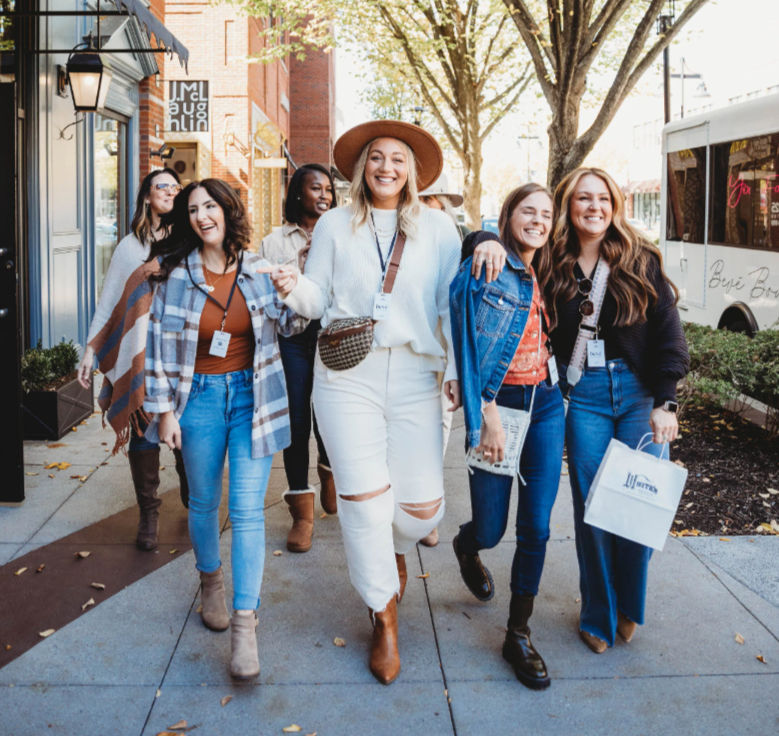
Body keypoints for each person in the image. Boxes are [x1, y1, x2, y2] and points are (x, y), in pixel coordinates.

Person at [269, 120, 461, 685]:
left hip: (416, 374)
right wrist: (290, 287)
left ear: (413, 171)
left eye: (397, 159)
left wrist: (454, 370)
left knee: (422, 509)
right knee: (363, 502)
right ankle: (384, 614)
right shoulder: (333, 224)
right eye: (376, 158)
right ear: (362, 167)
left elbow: (450, 306)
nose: (386, 167)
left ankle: (393, 550)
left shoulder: (440, 229)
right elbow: (317, 296)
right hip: (345, 374)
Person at [144, 179, 305, 680]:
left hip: (253, 399)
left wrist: (292, 289)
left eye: (209, 206)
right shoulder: (177, 277)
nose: (201, 215)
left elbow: (293, 328)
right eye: (192, 209)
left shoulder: (258, 269)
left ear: (227, 211)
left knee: (247, 512)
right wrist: (164, 411)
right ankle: (210, 581)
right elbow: (157, 346)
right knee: (202, 503)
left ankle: (244, 626)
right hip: (199, 401)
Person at [547, 168, 689, 653]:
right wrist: (482, 239)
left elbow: (669, 332)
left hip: (637, 395)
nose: (593, 206)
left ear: (615, 205)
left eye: (602, 198)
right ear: (567, 205)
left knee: (638, 504)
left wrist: (665, 401)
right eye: (583, 198)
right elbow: (501, 240)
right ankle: (598, 614)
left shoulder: (639, 258)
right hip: (582, 395)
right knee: (594, 509)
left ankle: (629, 603)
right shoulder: (551, 259)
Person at [449, 183, 564, 690]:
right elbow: (466, 334)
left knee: (536, 528)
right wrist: (487, 411)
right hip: (501, 407)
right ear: (508, 215)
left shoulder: (550, 266)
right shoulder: (489, 262)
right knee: (493, 529)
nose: (537, 220)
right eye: (528, 212)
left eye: (546, 214)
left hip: (547, 406)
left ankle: (517, 633)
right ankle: (467, 544)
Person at [77, 168, 189, 552]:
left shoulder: (188, 238)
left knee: (184, 427)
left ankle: (192, 493)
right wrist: (91, 350)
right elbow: (110, 300)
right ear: (146, 196)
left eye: (176, 187)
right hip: (140, 349)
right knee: (142, 428)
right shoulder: (129, 247)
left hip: (178, 349)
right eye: (163, 186)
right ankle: (150, 512)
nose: (171, 192)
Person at [259, 164, 337, 553]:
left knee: (328, 416)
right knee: (295, 421)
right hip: (291, 338)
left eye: (328, 189)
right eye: (315, 188)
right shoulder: (274, 241)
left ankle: (329, 472)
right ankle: (301, 514)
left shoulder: (342, 232)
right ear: (297, 194)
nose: (323, 194)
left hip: (332, 338)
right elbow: (261, 294)